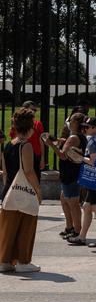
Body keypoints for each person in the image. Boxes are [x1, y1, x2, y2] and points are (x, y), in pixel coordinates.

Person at [0, 107, 42, 272]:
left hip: (9, 192)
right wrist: (38, 190)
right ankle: (24, 262)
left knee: (8, 230)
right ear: (30, 127)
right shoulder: (26, 146)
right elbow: (28, 171)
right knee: (26, 227)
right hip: (24, 192)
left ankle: (5, 261)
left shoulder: (9, 145)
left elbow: (5, 173)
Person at [68, 117, 96, 249]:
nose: (85, 129)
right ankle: (82, 237)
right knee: (87, 207)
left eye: (88, 127)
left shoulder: (93, 142)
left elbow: (92, 161)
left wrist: (80, 158)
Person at [43, 113, 86, 241]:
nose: (69, 122)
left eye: (71, 120)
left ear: (76, 123)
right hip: (71, 172)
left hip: (71, 173)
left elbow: (62, 155)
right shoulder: (77, 136)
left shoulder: (73, 137)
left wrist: (51, 144)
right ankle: (69, 226)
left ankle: (77, 230)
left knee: (73, 202)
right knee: (64, 198)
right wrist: (57, 141)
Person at [8, 101, 45, 179]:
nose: (34, 112)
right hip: (20, 153)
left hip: (35, 155)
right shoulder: (17, 124)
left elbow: (40, 140)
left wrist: (42, 158)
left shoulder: (38, 124)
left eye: (35, 110)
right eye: (32, 109)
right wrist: (37, 190)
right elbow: (13, 139)